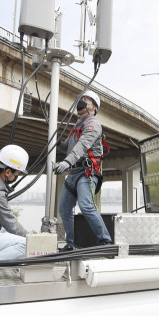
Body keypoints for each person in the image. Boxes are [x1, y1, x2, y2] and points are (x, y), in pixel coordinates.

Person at [54, 90, 113, 251]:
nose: (82, 101)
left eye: (86, 100)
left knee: (86, 206)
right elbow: (69, 146)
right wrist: (58, 143)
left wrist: (66, 162)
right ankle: (70, 244)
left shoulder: (93, 124)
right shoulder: (77, 125)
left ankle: (105, 241)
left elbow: (82, 147)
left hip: (86, 173)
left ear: (93, 107)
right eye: (81, 98)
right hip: (73, 174)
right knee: (64, 209)